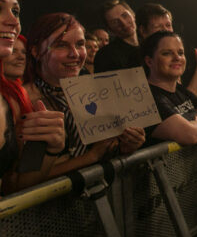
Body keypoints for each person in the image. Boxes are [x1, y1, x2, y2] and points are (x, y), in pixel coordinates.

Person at [23, 13, 145, 179]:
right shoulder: (25, 101)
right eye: (61, 45)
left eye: (80, 44)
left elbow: (104, 147)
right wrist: (90, 157)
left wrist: (128, 145)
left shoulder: (91, 92)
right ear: (36, 51)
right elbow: (23, 181)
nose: (75, 54)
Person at [0, 0, 65, 194]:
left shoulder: (10, 100)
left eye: (15, 12)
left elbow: (15, 185)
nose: (13, 21)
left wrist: (51, 150)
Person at [141, 31, 197, 146]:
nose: (177, 58)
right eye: (166, 53)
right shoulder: (149, 98)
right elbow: (191, 135)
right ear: (149, 61)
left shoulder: (178, 89)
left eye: (180, 52)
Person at [136, 2, 197, 96]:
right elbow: (185, 104)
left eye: (168, 25)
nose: (165, 31)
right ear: (143, 31)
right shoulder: (139, 64)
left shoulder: (186, 56)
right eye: (158, 27)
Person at [94, 0, 140, 73]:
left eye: (125, 16)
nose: (123, 23)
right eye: (115, 22)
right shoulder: (105, 56)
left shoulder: (151, 44)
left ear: (133, 14)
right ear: (110, 30)